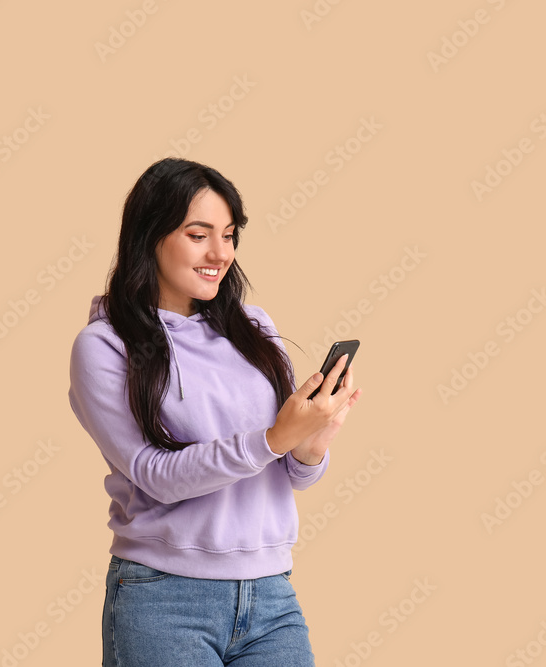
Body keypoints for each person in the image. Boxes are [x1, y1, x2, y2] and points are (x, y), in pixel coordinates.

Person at [67, 157, 363, 666]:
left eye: (229, 235)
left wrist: (311, 445)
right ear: (149, 236)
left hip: (270, 594)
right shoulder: (104, 345)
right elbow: (153, 474)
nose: (219, 253)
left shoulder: (253, 326)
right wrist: (272, 439)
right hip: (164, 598)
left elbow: (292, 474)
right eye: (198, 234)